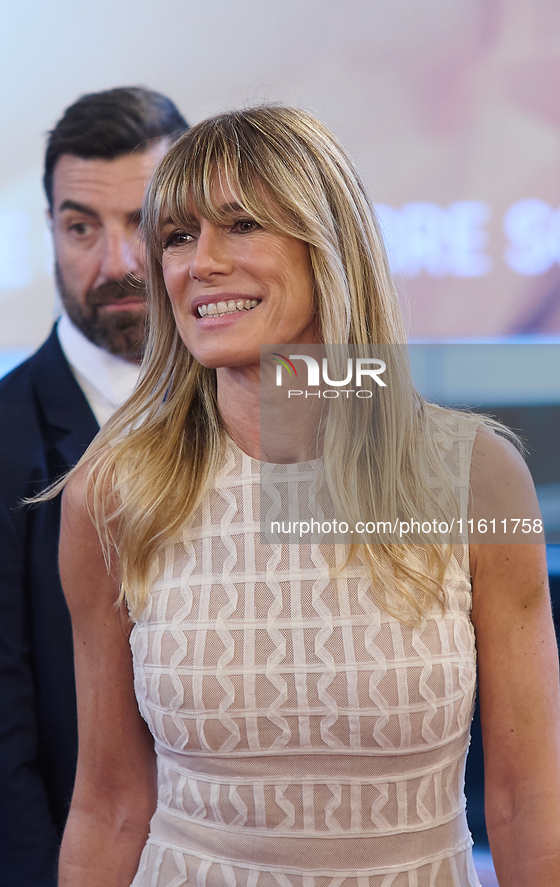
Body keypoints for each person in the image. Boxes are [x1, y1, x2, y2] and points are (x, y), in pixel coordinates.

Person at [57, 106, 560, 886]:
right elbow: (112, 804)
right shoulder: (113, 493)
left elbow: (527, 799)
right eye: (179, 237)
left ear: (328, 244)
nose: (202, 263)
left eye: (242, 224)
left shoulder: (474, 474)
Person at [0, 86, 188, 887]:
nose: (117, 262)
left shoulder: (289, 405)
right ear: (51, 231)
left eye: (142, 220)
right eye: (81, 227)